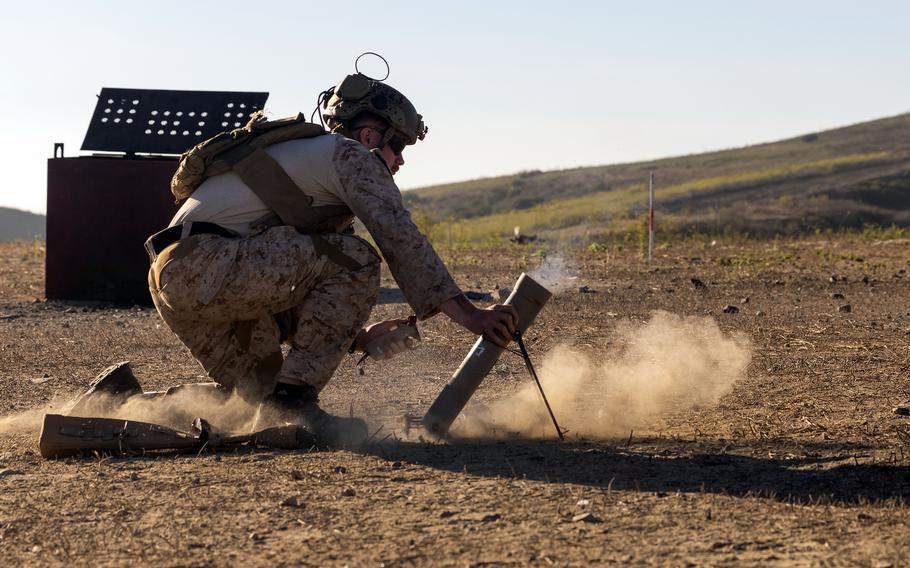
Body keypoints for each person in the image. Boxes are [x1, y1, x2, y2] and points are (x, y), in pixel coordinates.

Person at [142, 72, 518, 445]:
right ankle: (296, 403)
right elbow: (400, 239)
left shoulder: (303, 158)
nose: (400, 160)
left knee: (261, 397)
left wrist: (357, 338)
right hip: (208, 262)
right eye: (398, 145)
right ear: (371, 135)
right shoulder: (350, 154)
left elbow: (282, 280)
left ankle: (134, 406)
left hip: (175, 280)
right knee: (357, 259)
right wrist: (472, 316)